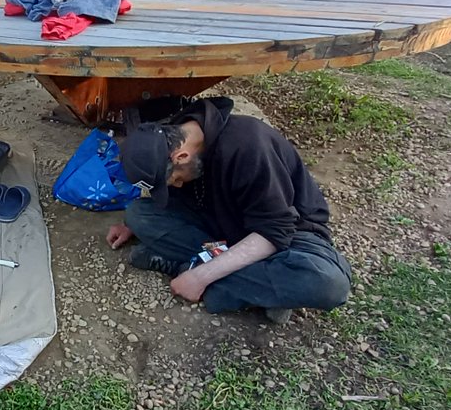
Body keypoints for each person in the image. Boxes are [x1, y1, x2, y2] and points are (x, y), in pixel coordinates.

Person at [107, 96, 351, 325]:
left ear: (181, 156)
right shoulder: (177, 137)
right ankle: (264, 289)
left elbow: (275, 231)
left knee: (328, 283)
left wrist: (201, 277)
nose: (178, 185)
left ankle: (191, 269)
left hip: (287, 235)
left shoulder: (249, 145)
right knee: (139, 214)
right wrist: (132, 226)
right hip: (223, 223)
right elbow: (171, 199)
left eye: (175, 179)